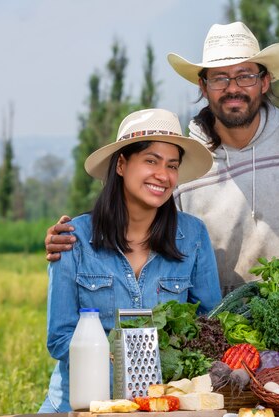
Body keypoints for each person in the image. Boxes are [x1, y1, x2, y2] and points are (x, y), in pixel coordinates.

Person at [45, 21, 279, 295]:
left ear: (265, 81)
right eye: (220, 78)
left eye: (245, 76)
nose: (233, 88)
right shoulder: (185, 163)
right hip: (220, 340)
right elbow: (141, 228)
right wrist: (78, 239)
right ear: (203, 86)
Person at [38, 108, 221, 413]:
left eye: (172, 165)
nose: (163, 175)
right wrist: (121, 361)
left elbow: (208, 327)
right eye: (151, 160)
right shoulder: (75, 238)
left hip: (160, 405)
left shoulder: (193, 235)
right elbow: (60, 339)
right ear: (122, 164)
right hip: (79, 404)